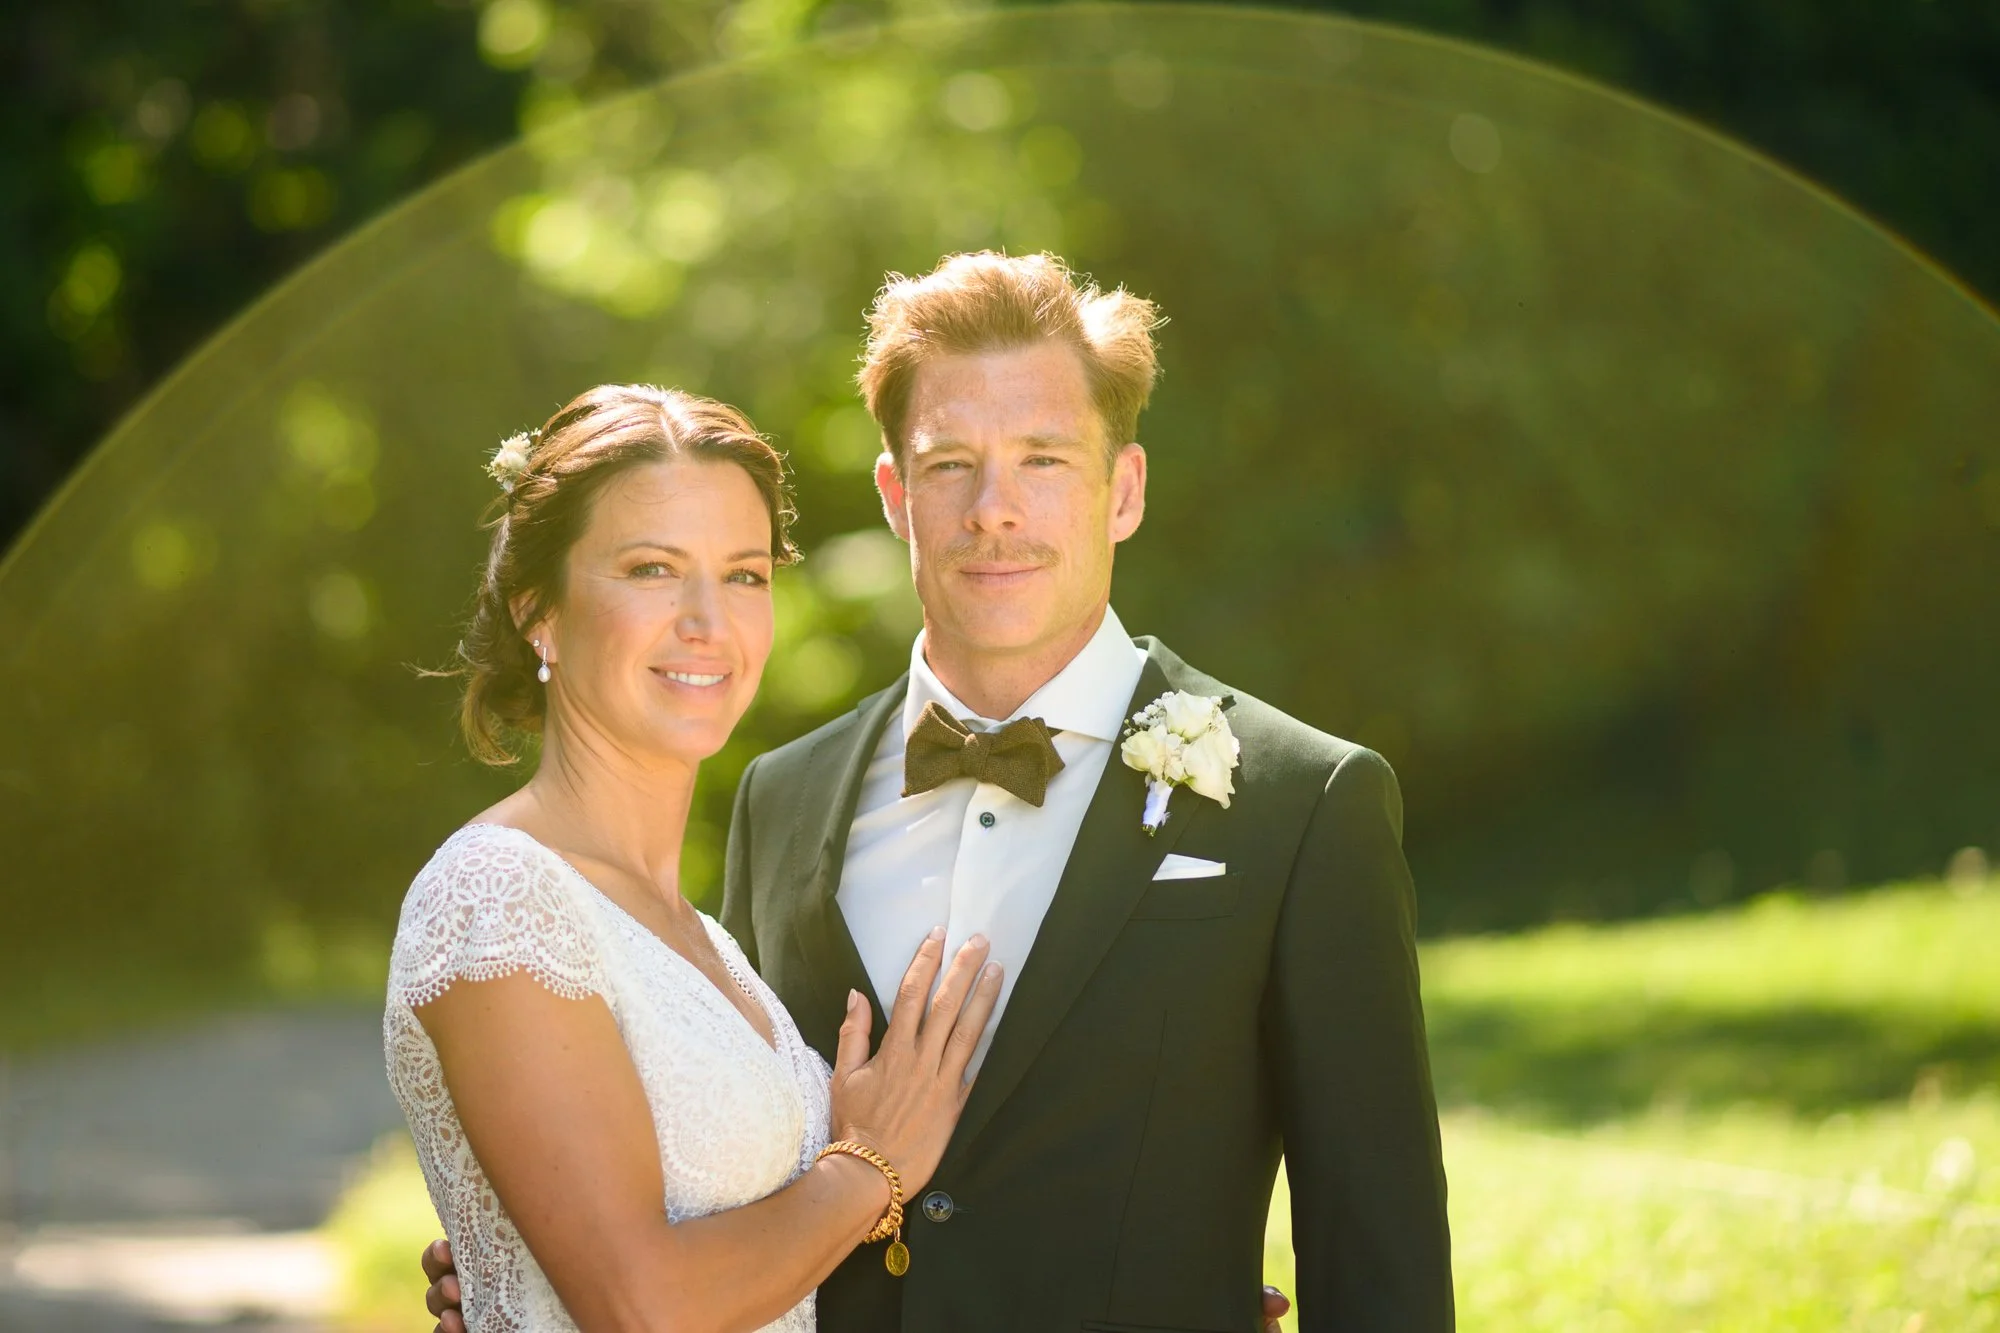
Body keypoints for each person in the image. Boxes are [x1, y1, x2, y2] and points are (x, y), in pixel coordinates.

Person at [426, 251, 1451, 1329]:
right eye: (950, 463)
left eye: (1043, 460)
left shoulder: (1302, 803)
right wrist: (532, 1269)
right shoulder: (782, 797)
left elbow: (1377, 1258)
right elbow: (709, 1153)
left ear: (1125, 491)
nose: (993, 511)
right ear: (893, 497)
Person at [385, 383, 1006, 1333]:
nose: (708, 621)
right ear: (538, 611)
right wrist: (869, 1163)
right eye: (651, 569)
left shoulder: (700, 936)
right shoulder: (496, 893)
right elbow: (643, 1307)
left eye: (745, 574)